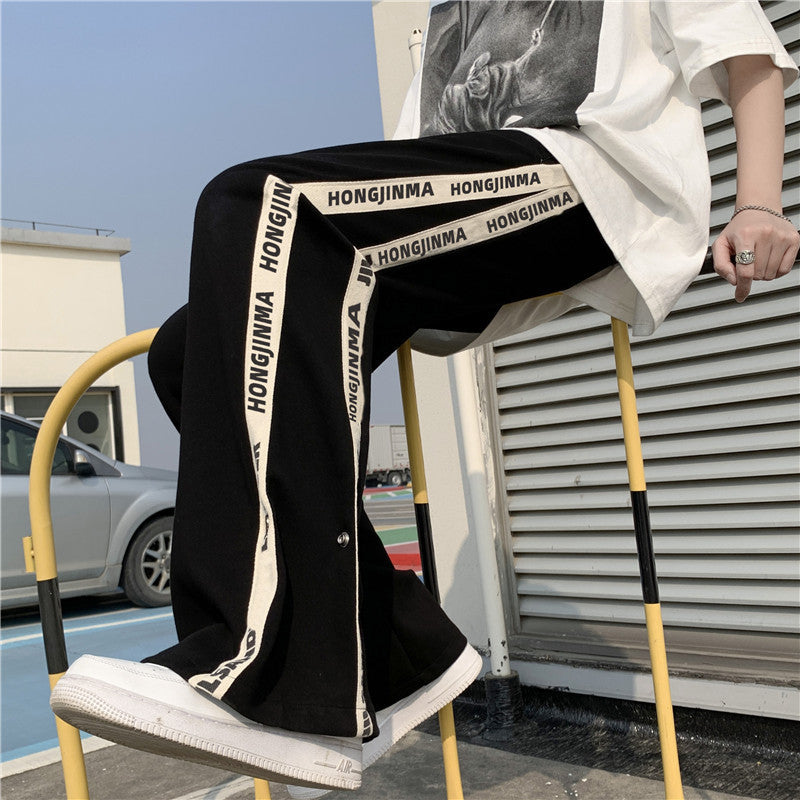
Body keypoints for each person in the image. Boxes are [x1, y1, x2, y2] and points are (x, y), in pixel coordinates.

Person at [51, 1, 798, 794]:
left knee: (252, 200)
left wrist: (758, 202)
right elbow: (422, 155)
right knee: (187, 350)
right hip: (460, 231)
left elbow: (743, 49)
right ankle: (400, 652)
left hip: (591, 180)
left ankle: (259, 673)